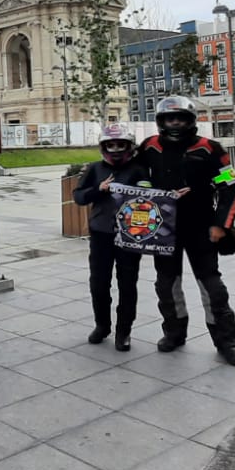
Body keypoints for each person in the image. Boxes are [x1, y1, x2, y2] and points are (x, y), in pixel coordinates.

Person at [126, 95, 235, 366]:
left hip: (202, 226)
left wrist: (221, 224)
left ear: (191, 121)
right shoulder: (149, 146)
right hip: (163, 228)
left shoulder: (210, 148)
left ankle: (226, 342)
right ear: (161, 121)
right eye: (170, 118)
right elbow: (136, 175)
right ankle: (174, 333)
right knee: (167, 285)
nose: (175, 123)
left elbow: (230, 186)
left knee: (212, 287)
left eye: (180, 118)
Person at [71, 126, 141, 351]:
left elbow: (153, 197)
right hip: (101, 234)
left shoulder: (139, 170)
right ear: (103, 147)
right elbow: (79, 196)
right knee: (99, 283)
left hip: (130, 235)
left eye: (121, 145)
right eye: (111, 145)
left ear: (129, 147)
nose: (116, 149)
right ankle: (102, 325)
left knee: (127, 285)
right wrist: (99, 189)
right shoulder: (94, 169)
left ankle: (124, 331)